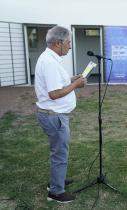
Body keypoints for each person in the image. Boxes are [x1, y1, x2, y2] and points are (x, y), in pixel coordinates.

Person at [35, 26, 87, 203]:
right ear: (59, 43)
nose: (70, 46)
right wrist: (76, 85)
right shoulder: (49, 62)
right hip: (53, 116)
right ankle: (56, 192)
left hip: (54, 115)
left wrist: (72, 79)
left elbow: (57, 83)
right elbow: (54, 93)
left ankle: (55, 181)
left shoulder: (51, 58)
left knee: (58, 151)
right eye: (68, 42)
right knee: (60, 153)